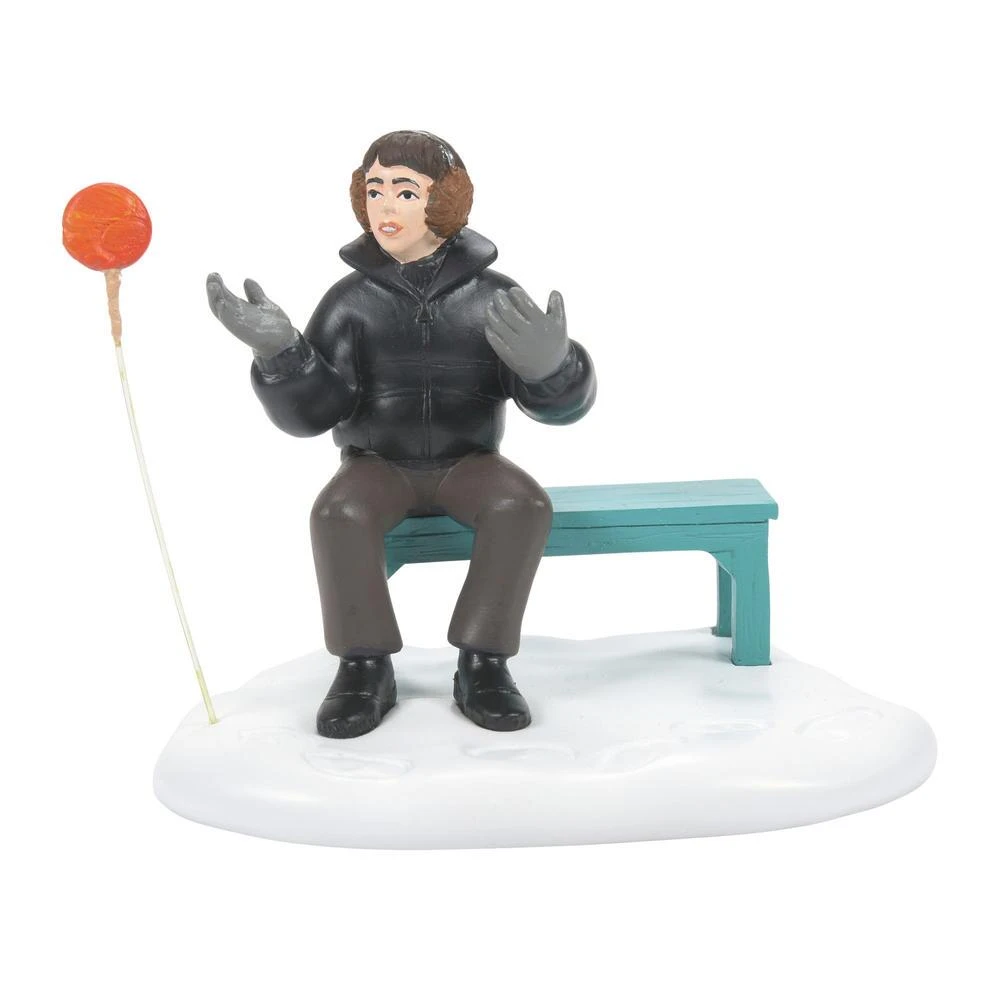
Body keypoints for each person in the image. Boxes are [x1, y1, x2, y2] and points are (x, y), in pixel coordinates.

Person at [206, 130, 596, 739]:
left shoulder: (493, 298)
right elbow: (314, 414)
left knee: (521, 505)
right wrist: (283, 355)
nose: (385, 206)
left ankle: (484, 662)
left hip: (469, 463)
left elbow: (558, 408)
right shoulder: (350, 301)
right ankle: (363, 668)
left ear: (444, 200)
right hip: (376, 465)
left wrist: (554, 368)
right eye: (375, 190)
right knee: (338, 513)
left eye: (406, 192)